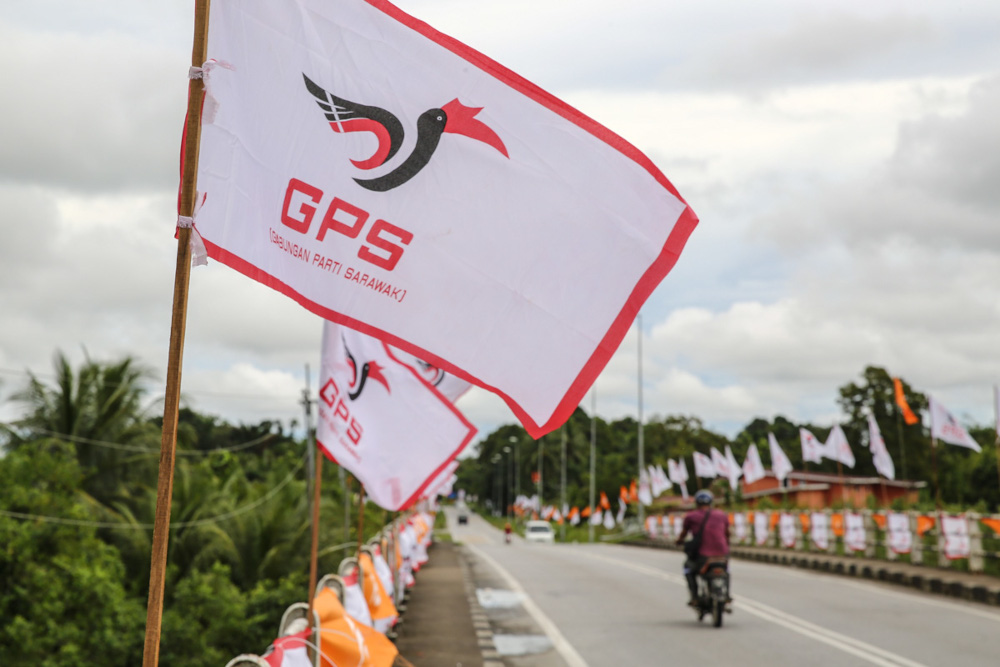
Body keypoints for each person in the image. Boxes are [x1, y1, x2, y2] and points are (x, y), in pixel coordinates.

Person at [675, 489, 730, 606]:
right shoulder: (721, 514)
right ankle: (727, 594)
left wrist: (679, 541)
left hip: (702, 555)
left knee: (688, 569)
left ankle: (694, 596)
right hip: (722, 554)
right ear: (711, 502)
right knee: (726, 571)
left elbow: (683, 534)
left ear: (697, 503)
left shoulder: (691, 516)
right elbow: (727, 533)